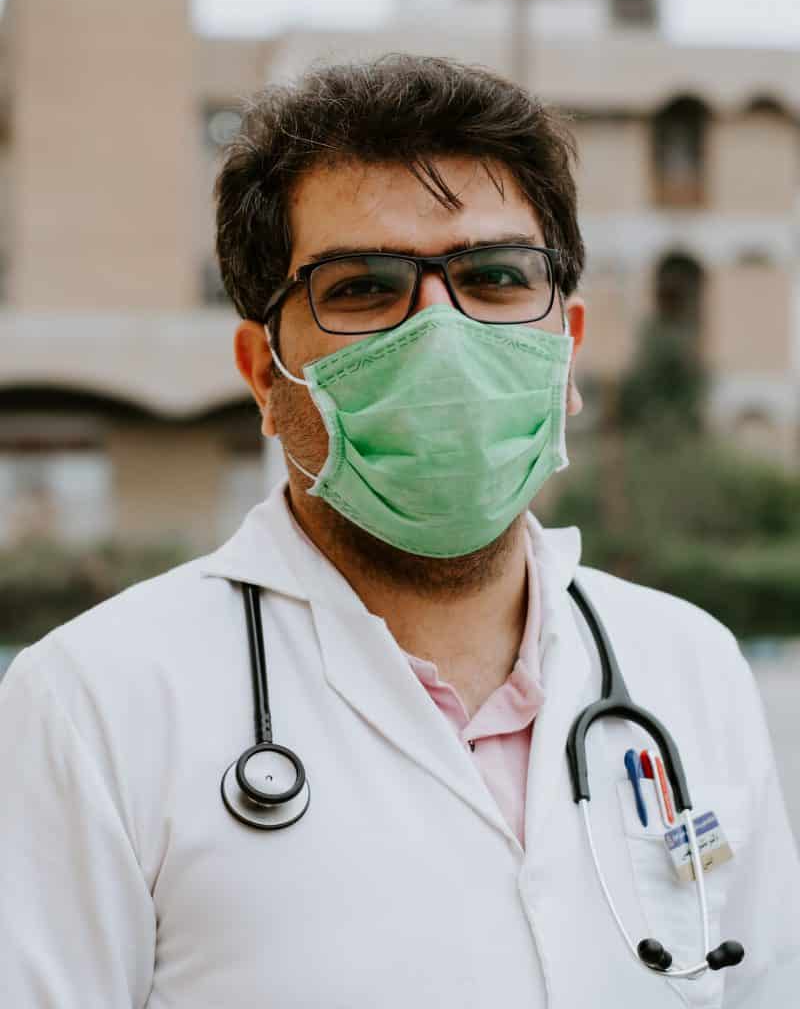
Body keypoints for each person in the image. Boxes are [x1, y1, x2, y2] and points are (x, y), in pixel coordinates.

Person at [0, 55, 797, 1007]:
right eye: (363, 288)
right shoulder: (95, 704)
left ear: (566, 346)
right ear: (263, 374)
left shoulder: (689, 667)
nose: (442, 332)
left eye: (497, 276)